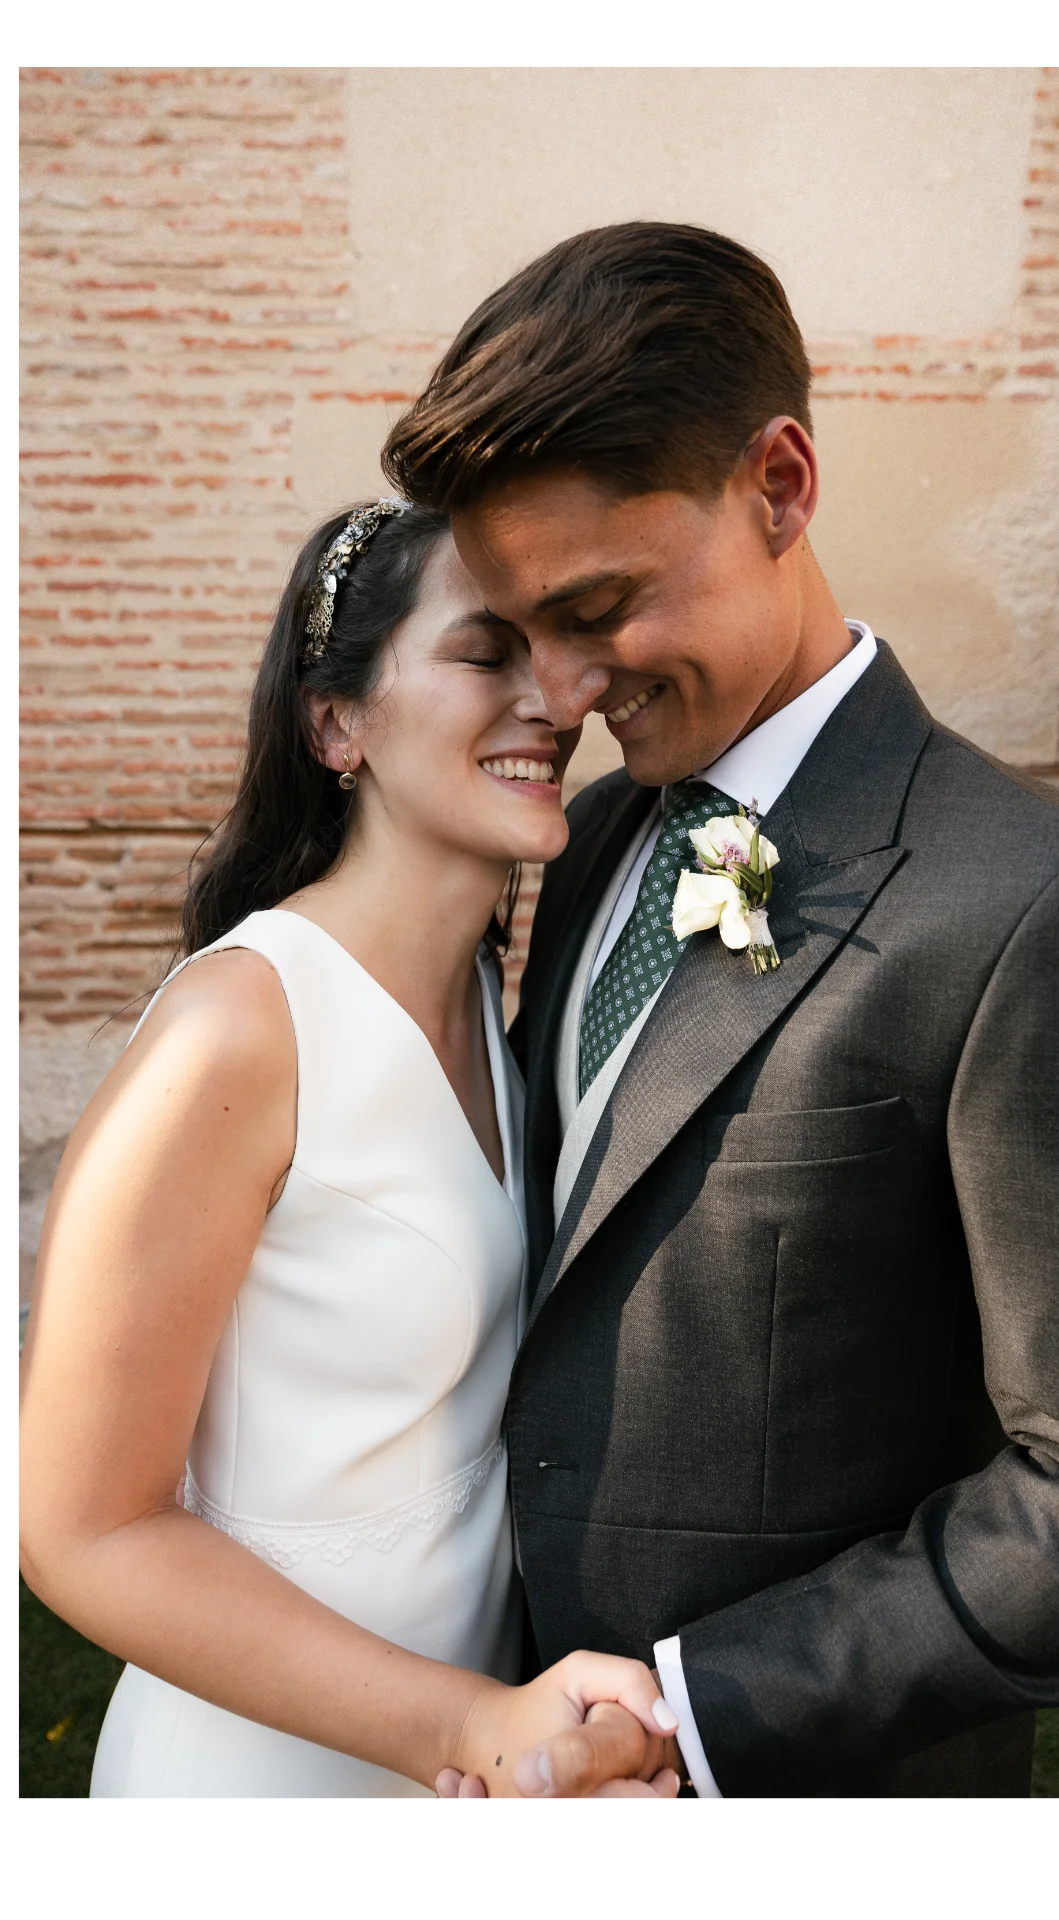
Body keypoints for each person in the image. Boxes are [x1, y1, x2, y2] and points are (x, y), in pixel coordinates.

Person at [386, 222, 1059, 1801]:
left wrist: (693, 1719)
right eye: (519, 626)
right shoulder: (596, 834)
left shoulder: (1021, 903)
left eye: (599, 606)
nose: (554, 693)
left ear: (780, 485)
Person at [17, 498, 681, 1800]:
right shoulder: (238, 1035)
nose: (551, 695)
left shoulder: (497, 1017)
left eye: (552, 650)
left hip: (482, 1753)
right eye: (484, 652)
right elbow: (77, 1527)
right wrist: (463, 1726)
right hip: (262, 1764)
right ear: (338, 724)